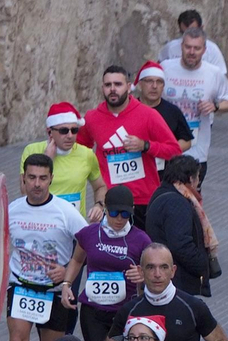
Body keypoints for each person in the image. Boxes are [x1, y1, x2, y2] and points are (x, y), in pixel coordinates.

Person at [6, 152, 86, 341]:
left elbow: (87, 241)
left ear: (51, 178)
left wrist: (68, 269)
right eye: (32, 177)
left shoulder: (64, 211)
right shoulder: (12, 210)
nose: (37, 184)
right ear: (23, 178)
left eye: (42, 178)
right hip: (21, 286)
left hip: (53, 291)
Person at [77, 66, 182, 225]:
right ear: (102, 88)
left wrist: (145, 146)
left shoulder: (148, 115)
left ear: (128, 86)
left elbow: (174, 151)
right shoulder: (92, 118)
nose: (113, 89)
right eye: (108, 85)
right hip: (110, 199)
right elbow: (80, 149)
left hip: (143, 200)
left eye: (118, 84)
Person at [65, 184, 148, 341]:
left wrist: (143, 275)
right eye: (114, 213)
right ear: (105, 210)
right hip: (93, 312)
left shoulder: (141, 240)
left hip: (124, 312)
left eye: (125, 214)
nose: (119, 219)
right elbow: (77, 260)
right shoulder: (89, 233)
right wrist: (67, 284)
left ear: (132, 211)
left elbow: (155, 272)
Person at [144, 156, 215, 296]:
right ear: (190, 179)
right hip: (178, 281)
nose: (198, 182)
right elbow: (181, 244)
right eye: (197, 177)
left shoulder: (163, 193)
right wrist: (202, 264)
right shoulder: (176, 203)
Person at [26, 102, 105, 216]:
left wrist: (99, 205)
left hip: (75, 225)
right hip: (43, 222)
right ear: (50, 132)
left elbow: (100, 187)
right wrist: (46, 160)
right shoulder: (31, 151)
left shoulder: (87, 154)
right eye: (64, 131)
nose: (70, 136)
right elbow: (26, 192)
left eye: (74, 130)